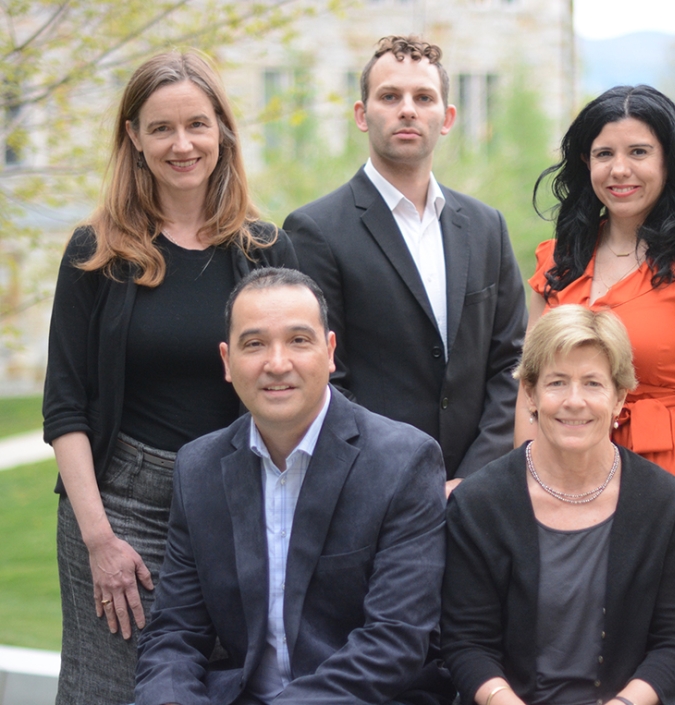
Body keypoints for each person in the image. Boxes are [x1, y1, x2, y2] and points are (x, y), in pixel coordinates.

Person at [42, 51, 297, 704]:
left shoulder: (264, 250)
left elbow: (299, 388)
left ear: (222, 130)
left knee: (228, 684)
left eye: (196, 125)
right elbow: (65, 407)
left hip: (236, 500)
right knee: (112, 690)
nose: (182, 145)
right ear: (133, 136)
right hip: (121, 506)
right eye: (161, 128)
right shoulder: (96, 253)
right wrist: (99, 538)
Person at [518, 85, 675, 705]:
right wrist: (524, 493)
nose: (620, 170)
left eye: (639, 152)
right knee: (584, 644)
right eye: (604, 154)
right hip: (571, 472)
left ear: (667, 159)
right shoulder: (557, 262)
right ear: (585, 163)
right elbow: (529, 390)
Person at [135, 267, 451, 705]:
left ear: (330, 351)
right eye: (254, 344)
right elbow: (175, 633)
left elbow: (394, 641)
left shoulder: (404, 461)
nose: (277, 363)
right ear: (227, 361)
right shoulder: (199, 468)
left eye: (299, 340)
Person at [283, 35, 527, 494]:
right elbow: (323, 376)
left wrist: (474, 478)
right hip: (371, 490)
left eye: (424, 98)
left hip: (478, 493)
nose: (408, 110)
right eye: (390, 96)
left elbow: (512, 361)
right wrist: (405, 481)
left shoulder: (486, 227)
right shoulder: (315, 230)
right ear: (362, 114)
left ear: (447, 118)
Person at [442, 304, 675, 705]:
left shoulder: (667, 504)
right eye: (557, 383)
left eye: (593, 384)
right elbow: (466, 643)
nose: (574, 401)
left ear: (619, 397)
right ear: (530, 394)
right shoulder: (479, 504)